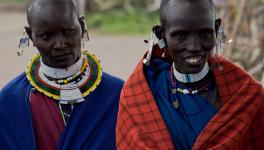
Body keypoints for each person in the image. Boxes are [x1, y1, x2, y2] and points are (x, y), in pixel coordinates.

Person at [116, 0, 264, 149]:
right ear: (162, 36)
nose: (194, 46)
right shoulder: (137, 98)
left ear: (216, 28)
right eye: (181, 36)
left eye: (205, 34)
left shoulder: (246, 95)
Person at [0, 0, 123, 149]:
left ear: (82, 26)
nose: (59, 44)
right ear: (31, 36)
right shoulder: (11, 102)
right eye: (46, 36)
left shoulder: (117, 95)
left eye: (67, 32)